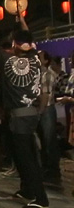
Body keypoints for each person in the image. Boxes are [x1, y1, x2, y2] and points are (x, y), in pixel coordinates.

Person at [0, 10, 49, 208]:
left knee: (26, 158)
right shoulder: (35, 59)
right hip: (30, 114)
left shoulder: (8, 62)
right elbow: (27, 37)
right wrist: (23, 21)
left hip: (19, 117)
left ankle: (41, 198)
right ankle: (27, 189)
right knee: (23, 154)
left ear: (15, 45)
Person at [37, 51, 60, 187]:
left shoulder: (46, 75)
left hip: (46, 110)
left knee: (49, 140)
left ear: (46, 61)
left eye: (40, 57)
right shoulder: (39, 74)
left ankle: (53, 171)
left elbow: (45, 96)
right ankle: (46, 168)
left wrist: (40, 111)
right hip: (42, 110)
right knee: (44, 140)